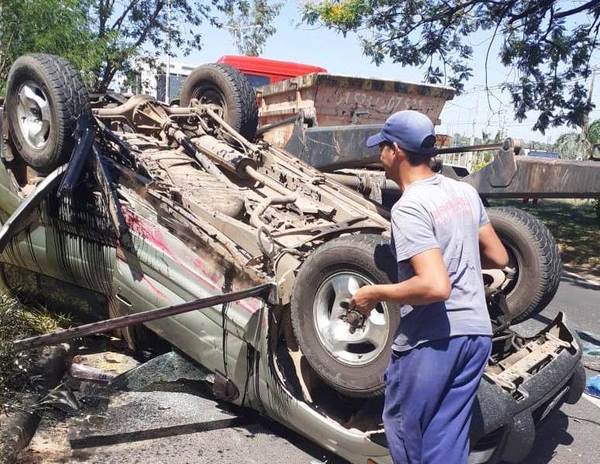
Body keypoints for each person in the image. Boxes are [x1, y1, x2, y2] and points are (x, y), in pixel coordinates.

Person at [350, 110, 509, 464]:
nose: (380, 157)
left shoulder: (410, 207)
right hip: (476, 336)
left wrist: (372, 293)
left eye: (382, 148)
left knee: (407, 431)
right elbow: (498, 256)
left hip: (433, 341)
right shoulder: (463, 193)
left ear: (396, 151)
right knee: (446, 437)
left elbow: (436, 287)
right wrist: (453, 259)